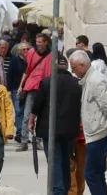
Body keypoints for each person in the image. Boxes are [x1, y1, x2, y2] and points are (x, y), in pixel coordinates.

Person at [69, 49, 107, 195]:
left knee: (91, 174)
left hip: (100, 133)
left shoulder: (95, 80)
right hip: (97, 132)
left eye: (73, 68)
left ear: (82, 64)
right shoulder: (90, 79)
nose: (73, 72)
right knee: (97, 173)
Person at [30, 54, 82, 195]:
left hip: (49, 129)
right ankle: (64, 188)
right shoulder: (77, 83)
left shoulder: (47, 82)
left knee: (54, 162)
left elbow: (37, 105)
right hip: (70, 129)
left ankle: (58, 191)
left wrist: (31, 120)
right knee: (66, 160)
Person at [18, 33, 53, 152]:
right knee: (27, 115)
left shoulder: (52, 55)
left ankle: (37, 140)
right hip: (32, 87)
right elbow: (27, 70)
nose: (37, 44)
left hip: (44, 87)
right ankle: (23, 141)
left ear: (46, 42)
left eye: (40, 42)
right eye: (37, 42)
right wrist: (21, 86)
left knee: (41, 115)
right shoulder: (32, 53)